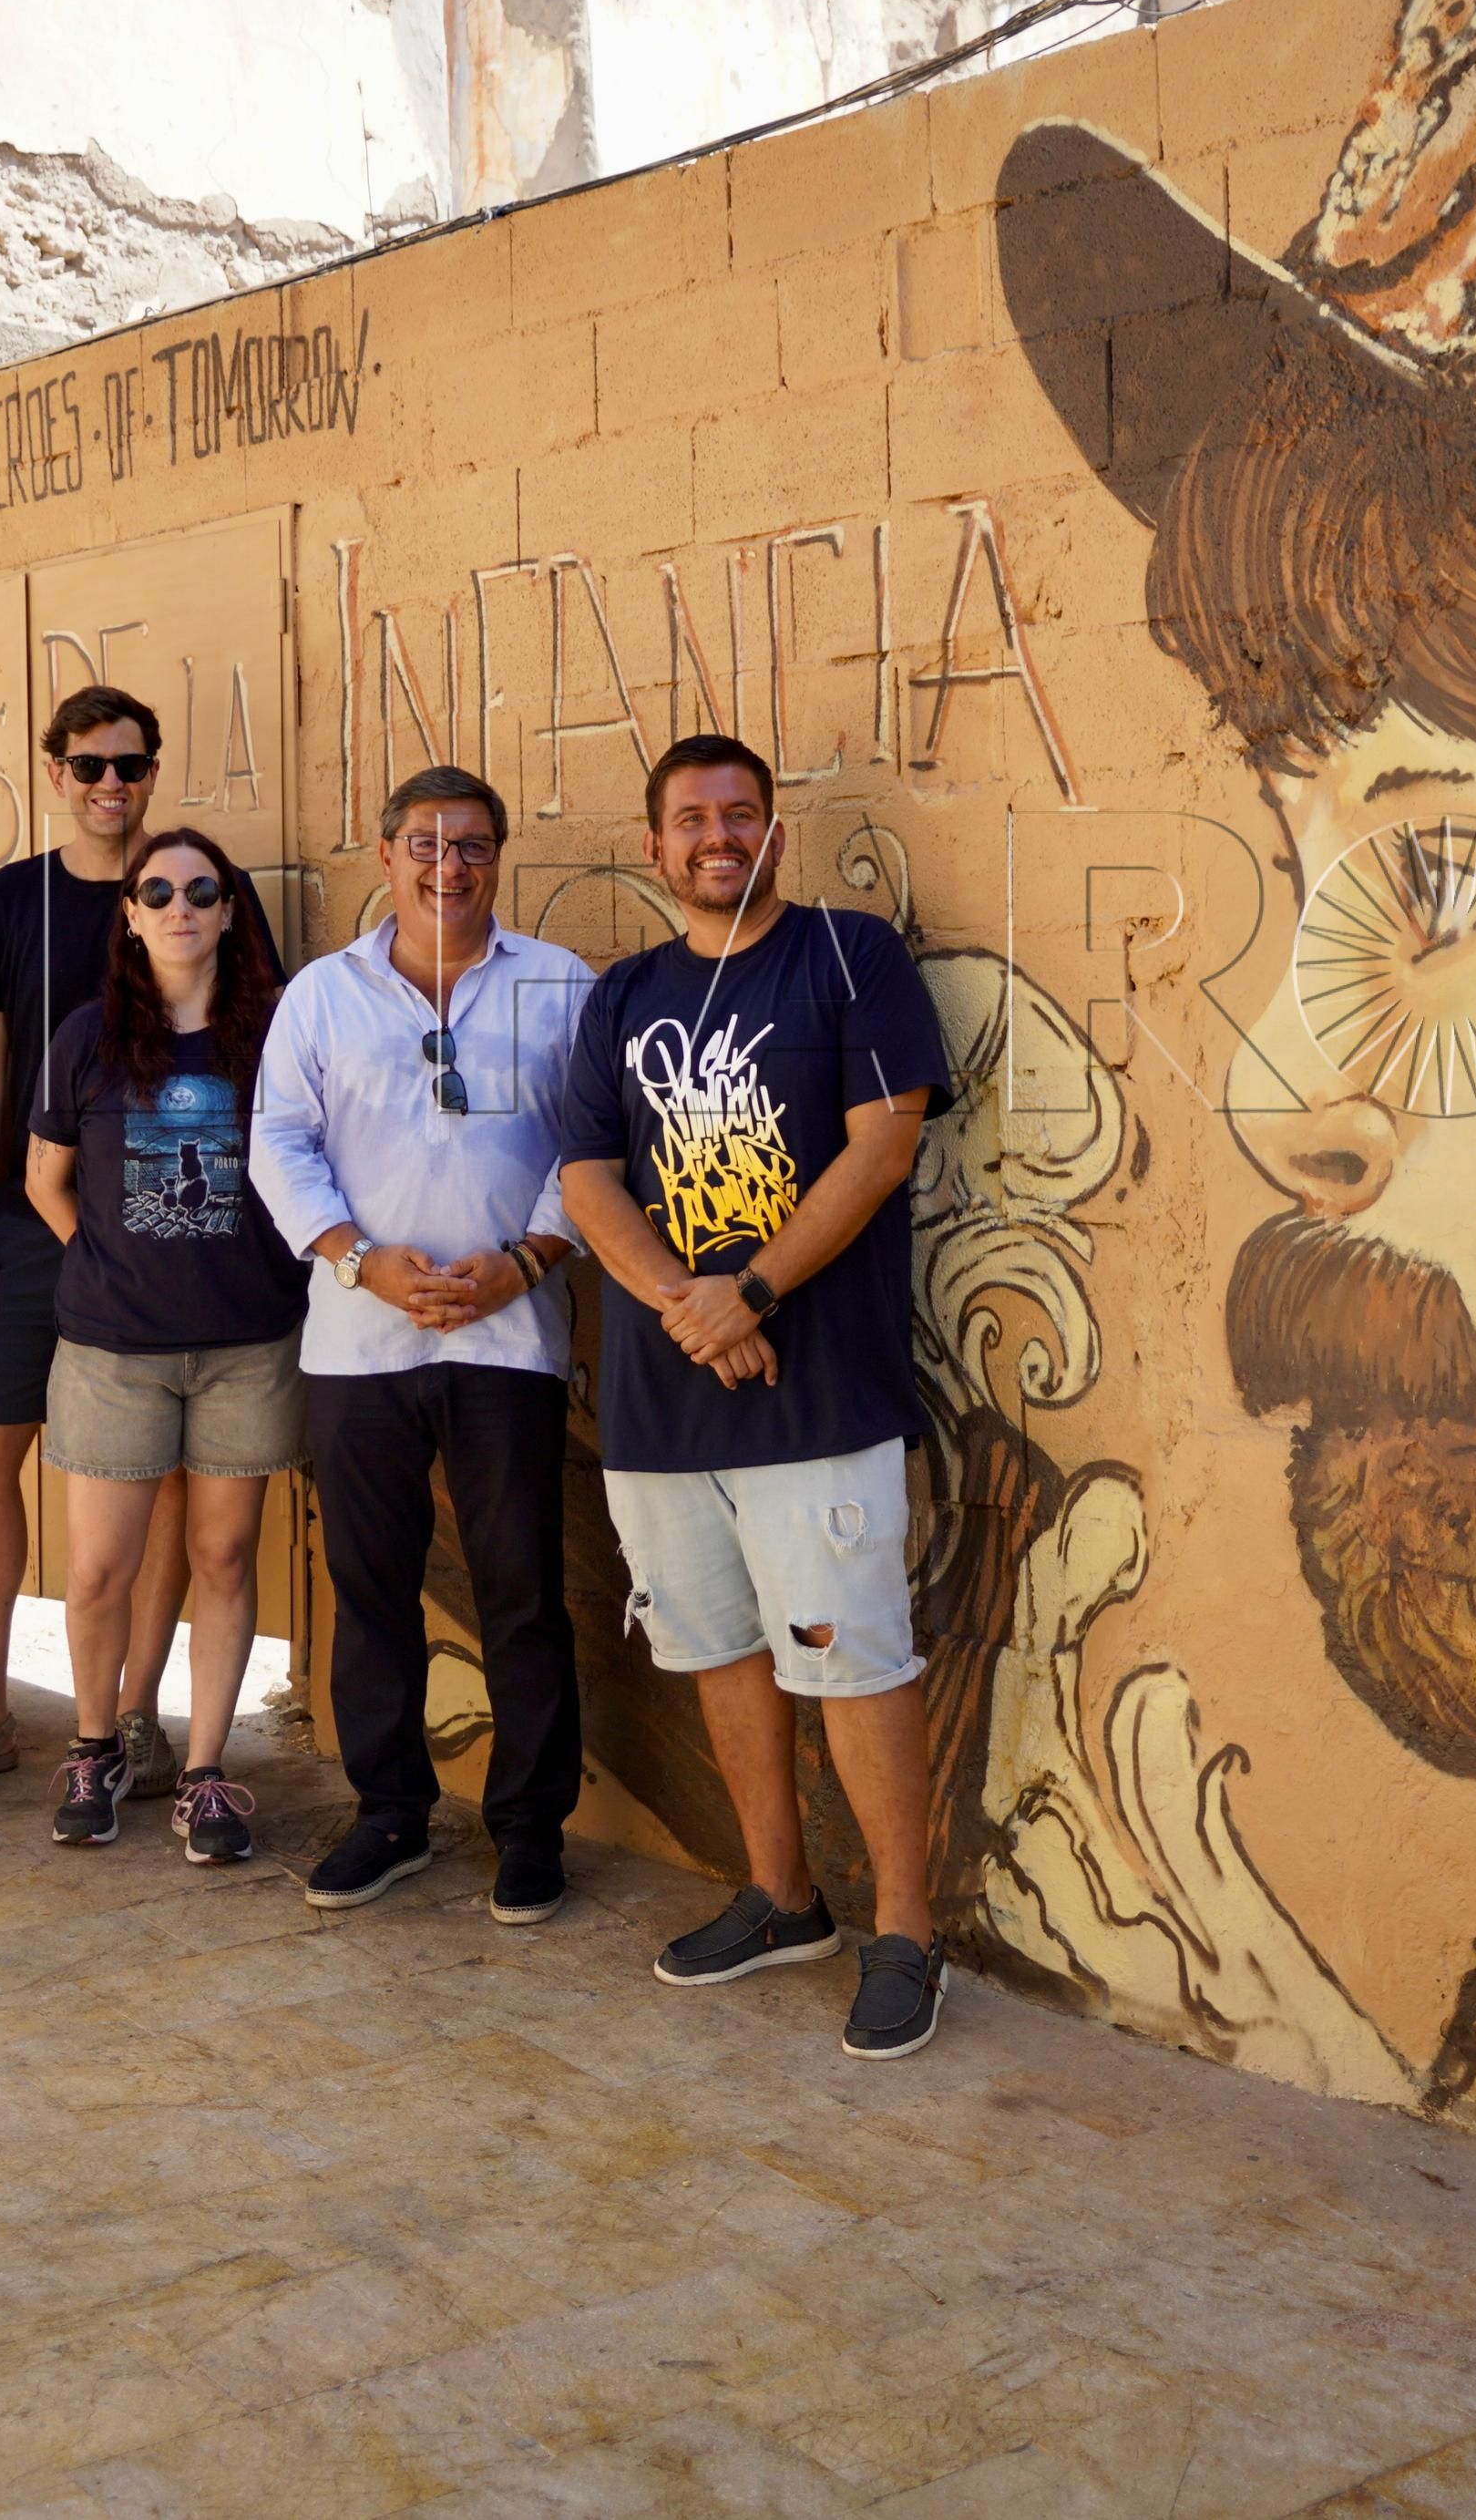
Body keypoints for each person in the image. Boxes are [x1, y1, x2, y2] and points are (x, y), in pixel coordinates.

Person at [557, 735, 953, 2058]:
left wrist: (756, 1291)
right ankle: (783, 1900)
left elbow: (883, 1142)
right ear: (654, 844)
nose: (717, 835)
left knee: (853, 1657)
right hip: (665, 1403)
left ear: (773, 834)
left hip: (817, 1393)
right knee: (718, 1649)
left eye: (740, 814)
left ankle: (907, 1932)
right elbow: (586, 1176)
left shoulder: (847, 955)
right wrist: (691, 1303)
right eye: (691, 818)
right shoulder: (624, 995)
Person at [253, 765, 592, 1920]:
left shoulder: (556, 986)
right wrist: (357, 1257)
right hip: (358, 1341)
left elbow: (591, 1144)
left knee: (521, 1592)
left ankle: (529, 1831)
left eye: (473, 846)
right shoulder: (322, 995)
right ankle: (389, 1814)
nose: (449, 867)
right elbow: (278, 1142)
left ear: (498, 856)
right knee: (368, 1590)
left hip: (510, 1335)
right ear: (385, 854)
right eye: (426, 845)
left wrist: (527, 1258)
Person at [25, 823, 311, 1862]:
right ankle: (95, 1748)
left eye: (200, 891)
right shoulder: (88, 1036)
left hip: (247, 1344)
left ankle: (204, 1771)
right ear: (131, 915)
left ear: (230, 912)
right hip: (115, 1352)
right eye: (157, 892)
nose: (179, 908)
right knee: (100, 1569)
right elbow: (44, 1181)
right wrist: (112, 1261)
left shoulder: (278, 1033)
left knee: (223, 1557)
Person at [0, 684, 181, 1803]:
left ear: (151, 773)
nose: (109, 785)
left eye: (128, 765)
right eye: (88, 765)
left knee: (160, 1473)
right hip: (27, 1221)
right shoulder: (8, 902)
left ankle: (136, 1714)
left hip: (162, 1227)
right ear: (54, 774)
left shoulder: (193, 886)